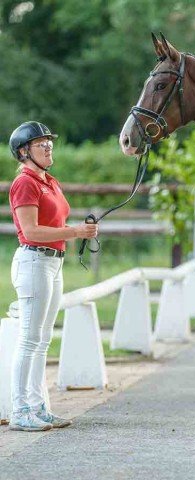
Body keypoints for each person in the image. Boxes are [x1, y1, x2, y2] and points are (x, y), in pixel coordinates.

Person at [7, 121, 98, 432]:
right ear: (23, 151)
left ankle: (36, 405)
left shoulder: (49, 181)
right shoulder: (25, 183)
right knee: (30, 339)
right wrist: (74, 232)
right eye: (40, 143)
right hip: (34, 262)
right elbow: (30, 231)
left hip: (53, 263)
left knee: (43, 340)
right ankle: (19, 410)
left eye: (48, 142)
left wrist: (80, 230)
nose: (48, 147)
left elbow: (53, 220)